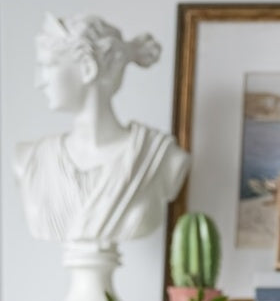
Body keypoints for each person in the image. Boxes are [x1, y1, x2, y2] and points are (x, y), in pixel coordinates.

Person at [13, 14, 188, 281]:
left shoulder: (162, 157)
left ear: (87, 68)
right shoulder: (29, 159)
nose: (39, 82)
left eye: (47, 66)